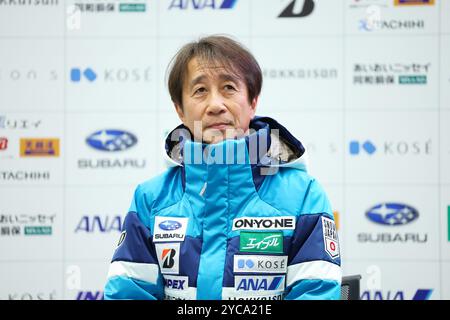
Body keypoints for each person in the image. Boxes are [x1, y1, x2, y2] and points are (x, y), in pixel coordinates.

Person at [103, 35, 342, 300]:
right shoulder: (151, 199)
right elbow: (128, 294)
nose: (216, 105)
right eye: (200, 90)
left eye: (229, 87)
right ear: (180, 109)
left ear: (252, 102)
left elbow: (314, 294)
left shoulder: (304, 195)